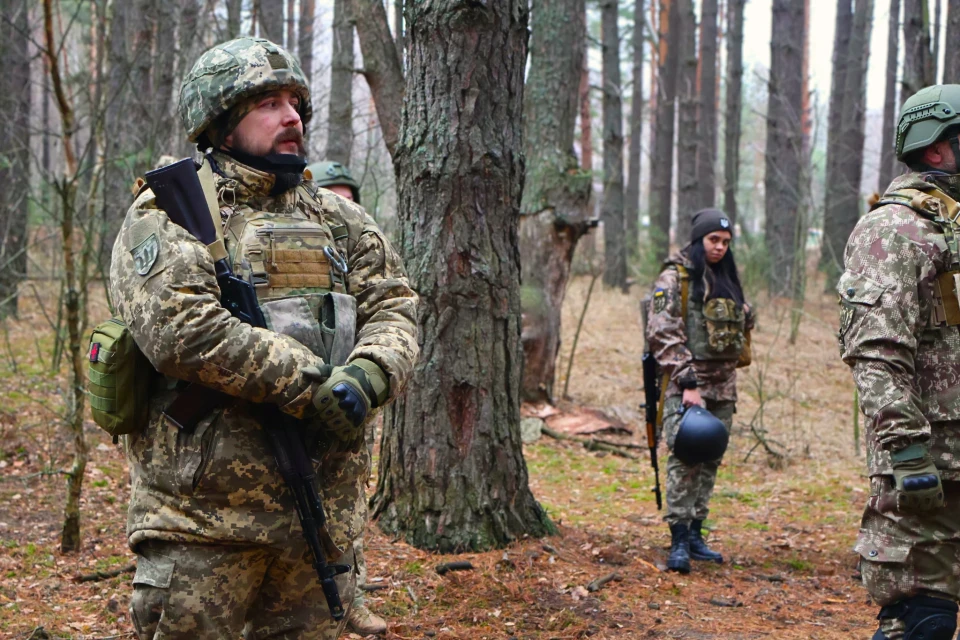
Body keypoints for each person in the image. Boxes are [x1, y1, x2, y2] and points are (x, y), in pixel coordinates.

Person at [109, 36, 418, 639]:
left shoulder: (338, 217)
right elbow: (180, 328)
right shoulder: (170, 212)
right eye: (269, 103)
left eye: (295, 102)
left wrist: (370, 373)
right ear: (221, 124)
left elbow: (395, 304)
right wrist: (311, 383)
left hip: (320, 518)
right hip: (203, 525)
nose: (292, 116)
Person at [839, 84, 960, 640]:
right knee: (923, 621)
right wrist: (909, 451)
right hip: (930, 466)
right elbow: (876, 350)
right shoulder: (893, 230)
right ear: (935, 149)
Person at [304, 159, 387, 636]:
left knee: (348, 499)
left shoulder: (359, 245)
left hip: (355, 392)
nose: (343, 203)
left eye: (348, 195)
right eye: (333, 192)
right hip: (306, 394)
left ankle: (350, 592)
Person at [644, 208, 753, 574]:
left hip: (724, 387)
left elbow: (743, 321)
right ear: (698, 240)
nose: (720, 247)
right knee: (686, 458)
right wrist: (688, 382)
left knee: (709, 461)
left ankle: (695, 534)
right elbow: (662, 330)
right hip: (687, 385)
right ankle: (677, 539)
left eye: (725, 242)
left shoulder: (725, 277)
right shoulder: (674, 279)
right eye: (713, 240)